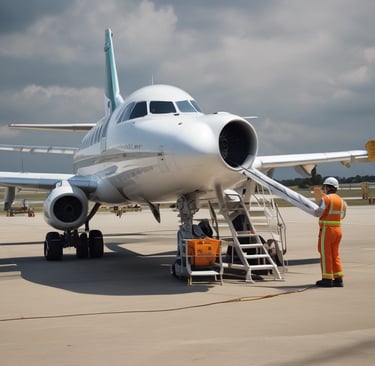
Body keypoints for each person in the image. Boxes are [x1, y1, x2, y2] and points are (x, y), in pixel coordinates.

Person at [313, 177, 347, 287]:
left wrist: (314, 210)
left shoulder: (326, 199)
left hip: (327, 230)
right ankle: (338, 278)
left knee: (325, 254)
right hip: (338, 230)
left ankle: (327, 279)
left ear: (328, 187)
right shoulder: (341, 200)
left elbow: (319, 212)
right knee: (335, 254)